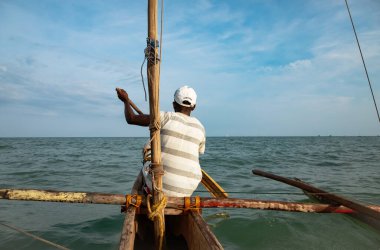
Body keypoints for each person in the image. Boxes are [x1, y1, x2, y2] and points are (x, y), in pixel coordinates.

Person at [116, 86, 206, 197]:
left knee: (146, 166)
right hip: (188, 190)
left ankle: (136, 198)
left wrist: (125, 101)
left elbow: (131, 118)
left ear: (174, 104)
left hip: (161, 186)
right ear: (194, 107)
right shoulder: (200, 128)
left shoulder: (164, 117)